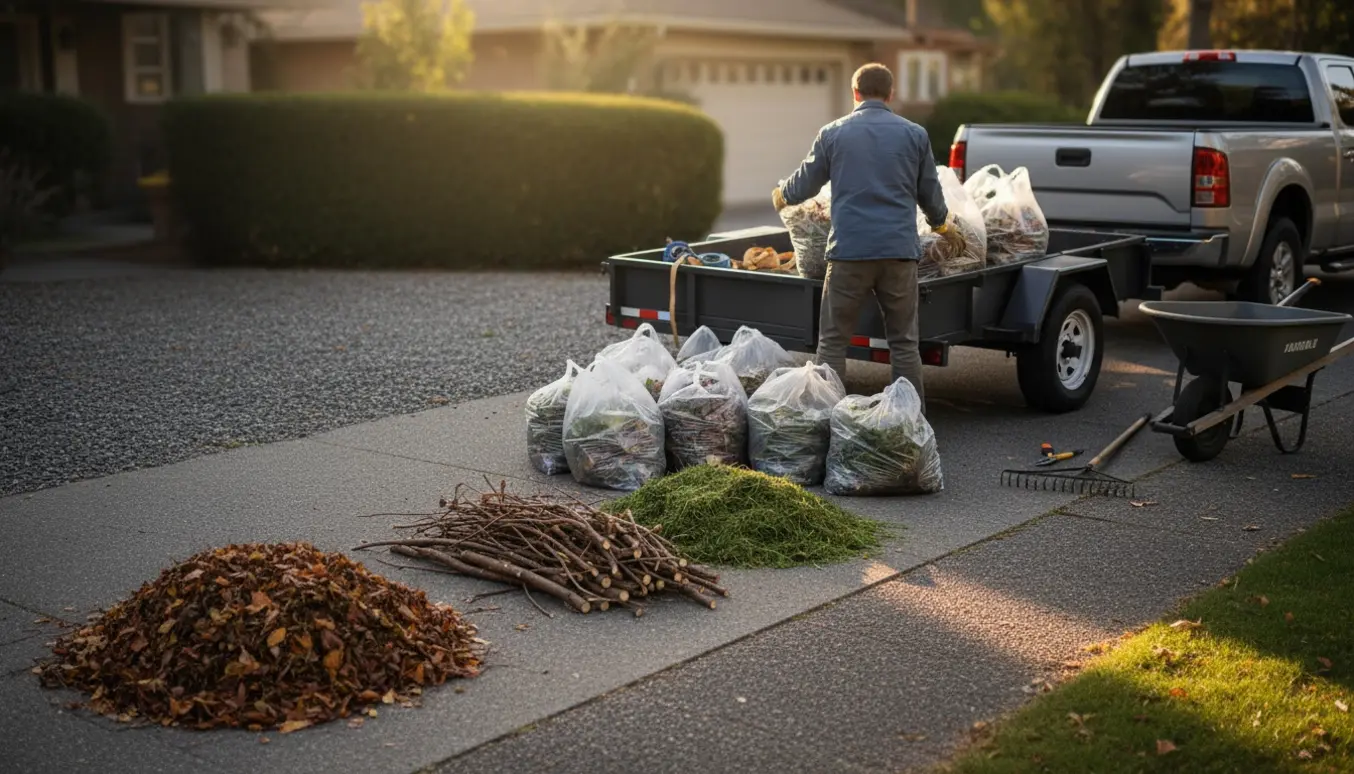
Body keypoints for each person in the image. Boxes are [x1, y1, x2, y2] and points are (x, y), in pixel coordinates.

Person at [773, 62, 958, 413]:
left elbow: (805, 184)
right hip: (898, 254)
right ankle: (909, 420)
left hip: (849, 253)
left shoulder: (833, 133)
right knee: (904, 344)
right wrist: (941, 225)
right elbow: (930, 193)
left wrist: (782, 194)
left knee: (832, 342)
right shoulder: (915, 134)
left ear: (854, 93)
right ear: (891, 94)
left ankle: (825, 418)